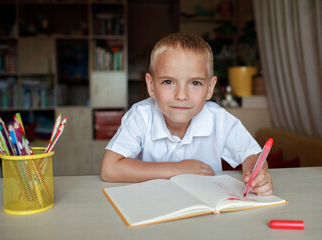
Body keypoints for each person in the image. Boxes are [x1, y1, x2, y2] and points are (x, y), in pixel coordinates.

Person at [101, 32, 273, 196]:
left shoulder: (219, 119)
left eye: (195, 83)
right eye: (168, 82)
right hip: (153, 206)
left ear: (210, 88)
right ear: (151, 86)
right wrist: (177, 169)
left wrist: (257, 173)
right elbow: (109, 169)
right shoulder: (140, 115)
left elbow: (253, 156)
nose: (181, 95)